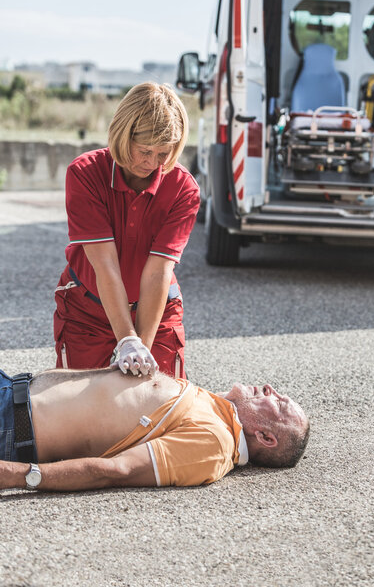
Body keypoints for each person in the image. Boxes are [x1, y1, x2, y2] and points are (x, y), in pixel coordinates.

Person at [54, 82, 200, 379]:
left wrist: (140, 351)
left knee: (160, 406)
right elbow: (105, 266)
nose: (152, 163)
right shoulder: (84, 173)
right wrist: (127, 340)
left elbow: (158, 271)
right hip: (87, 309)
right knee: (78, 412)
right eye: (145, 151)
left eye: (163, 154)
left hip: (157, 311)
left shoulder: (183, 188)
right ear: (122, 134)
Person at [0, 367, 309, 492]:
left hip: (10, 425)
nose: (271, 389)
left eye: (279, 404)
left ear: (266, 438)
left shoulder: (214, 443)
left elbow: (117, 470)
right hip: (11, 389)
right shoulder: (217, 412)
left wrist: (16, 475)